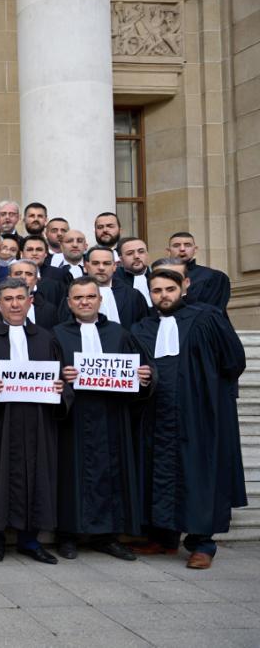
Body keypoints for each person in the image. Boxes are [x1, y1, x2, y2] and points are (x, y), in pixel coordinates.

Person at [130, 269, 246, 569]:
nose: (163, 296)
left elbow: (233, 361)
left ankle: (201, 544)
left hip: (199, 413)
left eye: (169, 289)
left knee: (199, 475)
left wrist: (209, 395)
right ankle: (162, 538)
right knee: (157, 473)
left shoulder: (206, 318)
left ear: (184, 288)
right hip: (156, 414)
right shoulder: (143, 327)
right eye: (156, 291)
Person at [0, 278, 68, 564]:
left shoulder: (47, 339)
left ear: (29, 301)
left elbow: (61, 380)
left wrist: (62, 389)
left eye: (20, 298)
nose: (14, 304)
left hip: (38, 422)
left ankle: (30, 540)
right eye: (8, 299)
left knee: (37, 477)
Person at [52, 277, 153, 561]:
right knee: (70, 473)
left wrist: (144, 376)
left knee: (110, 473)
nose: (85, 302)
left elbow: (142, 372)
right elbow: (47, 373)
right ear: (69, 303)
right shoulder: (57, 334)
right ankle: (67, 535)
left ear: (100, 299)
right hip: (73, 416)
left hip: (111, 416)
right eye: (78, 298)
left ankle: (106, 536)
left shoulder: (120, 334)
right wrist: (62, 374)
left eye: (90, 296)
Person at [166, 232, 231, 312]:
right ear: (168, 251)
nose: (182, 249)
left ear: (195, 250)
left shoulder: (215, 277)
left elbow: (213, 311)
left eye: (187, 245)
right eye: (176, 245)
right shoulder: (160, 279)